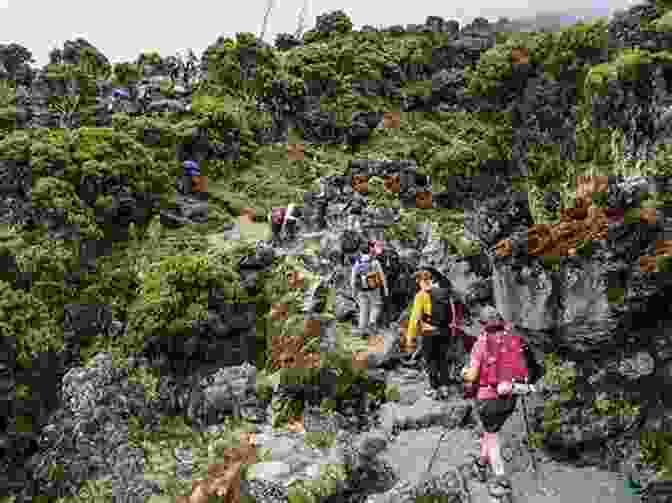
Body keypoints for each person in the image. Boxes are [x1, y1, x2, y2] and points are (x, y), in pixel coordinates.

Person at [461, 305, 531, 500]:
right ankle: (481, 465)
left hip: (488, 399)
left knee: (492, 438)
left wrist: (464, 373)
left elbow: (472, 375)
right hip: (510, 398)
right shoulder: (511, 338)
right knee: (491, 432)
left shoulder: (480, 344)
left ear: (483, 325)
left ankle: (501, 481)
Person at [351, 241, 389, 337]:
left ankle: (361, 330)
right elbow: (382, 276)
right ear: (369, 251)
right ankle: (372, 322)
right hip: (374, 289)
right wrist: (385, 289)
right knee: (377, 305)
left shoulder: (357, 262)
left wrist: (353, 292)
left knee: (363, 309)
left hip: (361, 290)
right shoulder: (375, 262)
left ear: (361, 252)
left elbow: (353, 279)